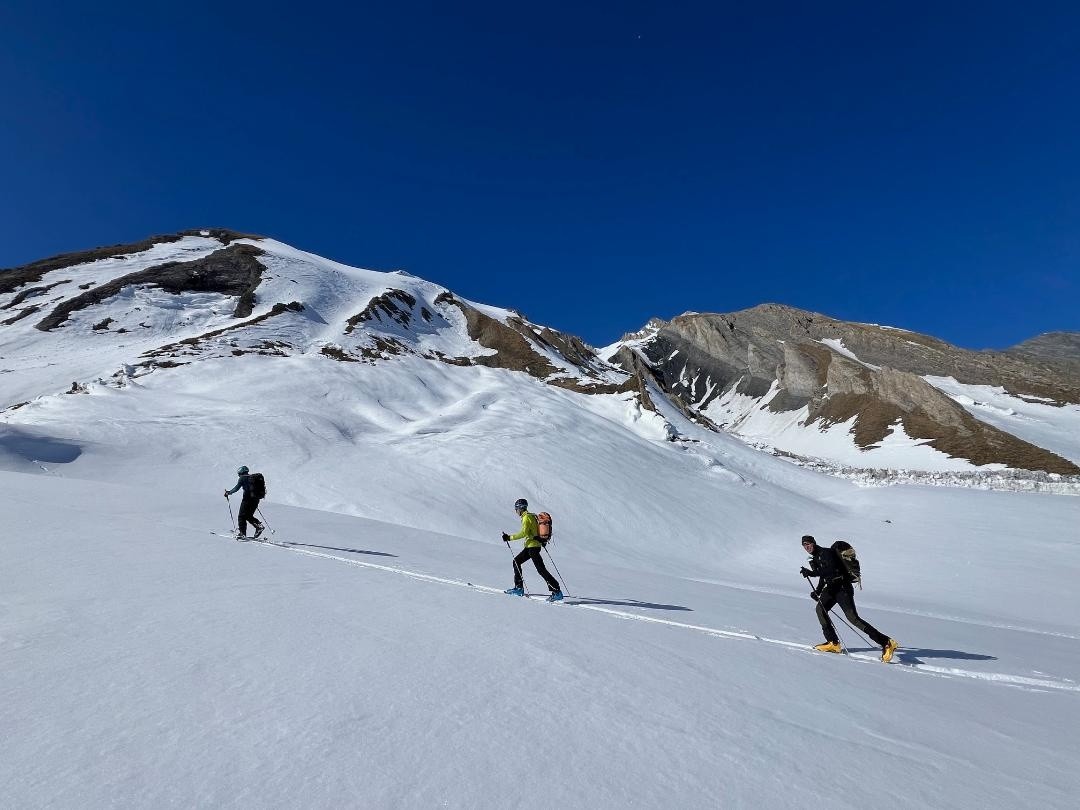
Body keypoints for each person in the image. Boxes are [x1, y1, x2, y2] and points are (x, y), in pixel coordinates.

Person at [800, 535, 898, 662]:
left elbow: (830, 569)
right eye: (804, 545)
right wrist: (817, 591)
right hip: (831, 588)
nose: (807, 547)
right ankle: (833, 643)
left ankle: (886, 642)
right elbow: (823, 576)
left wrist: (812, 573)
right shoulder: (815, 558)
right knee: (820, 609)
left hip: (842, 588)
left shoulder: (826, 553)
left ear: (814, 543)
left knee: (853, 618)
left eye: (808, 544)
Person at [503, 498, 563, 602]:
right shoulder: (533, 516)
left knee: (541, 569)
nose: (516, 511)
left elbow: (524, 533)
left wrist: (509, 538)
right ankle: (519, 588)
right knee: (516, 562)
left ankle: (557, 591)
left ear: (520, 508)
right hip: (532, 546)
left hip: (532, 547)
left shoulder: (526, 518)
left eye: (516, 509)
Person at [225, 465, 264, 539]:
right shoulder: (252, 477)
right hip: (256, 499)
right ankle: (259, 526)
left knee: (241, 516)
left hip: (247, 500)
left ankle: (242, 533)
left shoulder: (242, 478)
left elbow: (236, 488)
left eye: (238, 473)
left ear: (240, 472)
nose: (238, 475)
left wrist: (228, 492)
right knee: (248, 515)